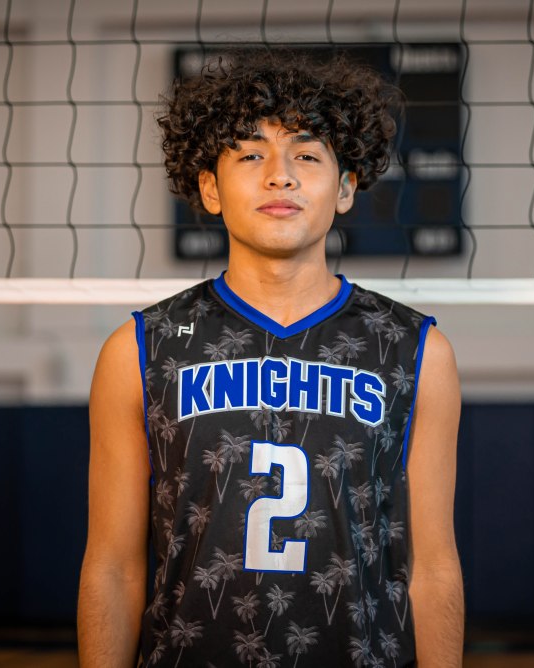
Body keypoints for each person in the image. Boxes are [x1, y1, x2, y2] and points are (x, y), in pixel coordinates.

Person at [78, 49, 463, 667]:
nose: (280, 176)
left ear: (344, 188)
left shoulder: (415, 350)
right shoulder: (139, 349)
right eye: (251, 155)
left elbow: (434, 567)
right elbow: (113, 566)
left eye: (306, 156)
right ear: (210, 187)